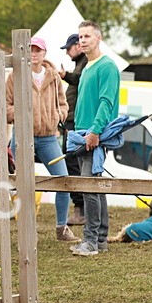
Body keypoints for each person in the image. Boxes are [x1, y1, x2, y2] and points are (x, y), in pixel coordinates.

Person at [7, 36, 75, 242]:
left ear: (44, 53)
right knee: (23, 184)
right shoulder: (14, 76)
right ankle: (27, 229)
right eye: (31, 50)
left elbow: (63, 104)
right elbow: (6, 106)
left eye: (38, 50)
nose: (34, 53)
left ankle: (62, 228)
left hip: (48, 138)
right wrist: (20, 116)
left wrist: (59, 114)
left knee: (63, 180)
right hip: (22, 136)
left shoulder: (54, 77)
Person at [70, 21, 121, 257]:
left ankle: (91, 241)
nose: (82, 40)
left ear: (98, 38)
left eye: (87, 36)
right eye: (80, 36)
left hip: (93, 135)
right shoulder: (88, 67)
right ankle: (100, 239)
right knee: (95, 187)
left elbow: (106, 102)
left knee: (89, 187)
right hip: (82, 134)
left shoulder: (107, 66)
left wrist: (95, 131)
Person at [58, 33, 87, 225]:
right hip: (72, 121)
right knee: (73, 163)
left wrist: (65, 75)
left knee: (73, 163)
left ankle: (80, 209)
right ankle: (81, 208)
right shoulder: (82, 63)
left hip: (74, 123)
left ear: (78, 46)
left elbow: (77, 78)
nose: (67, 53)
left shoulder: (85, 64)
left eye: (69, 48)